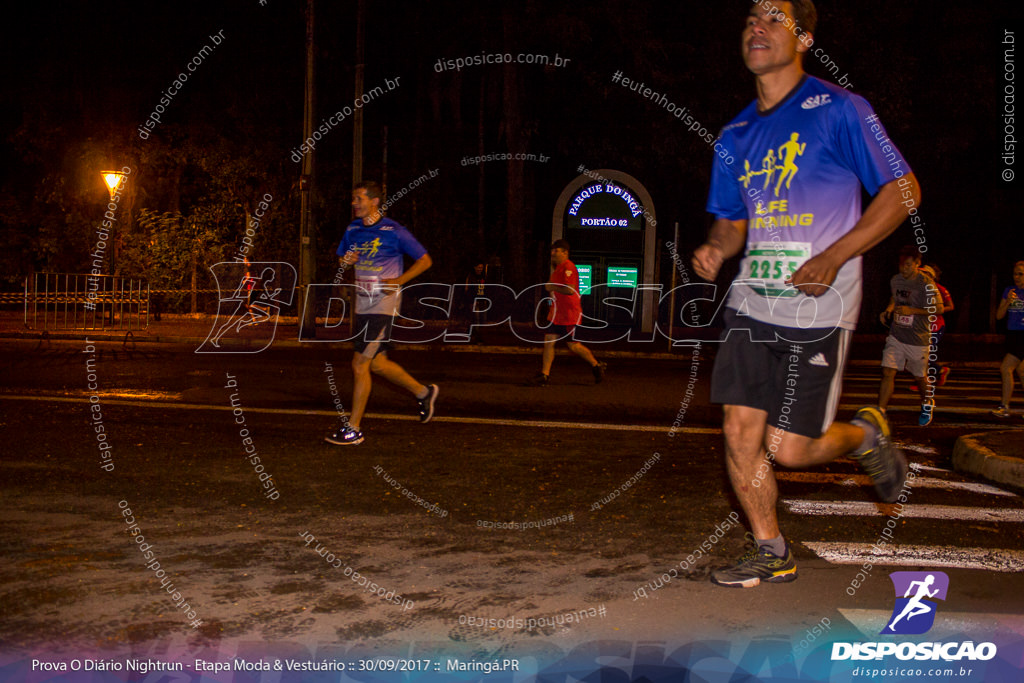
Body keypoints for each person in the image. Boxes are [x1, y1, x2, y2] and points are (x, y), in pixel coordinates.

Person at [692, 0, 917, 588]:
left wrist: (834, 255)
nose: (756, 27)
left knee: (789, 450)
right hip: (750, 303)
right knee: (740, 433)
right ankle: (771, 549)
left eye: (773, 18)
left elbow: (904, 190)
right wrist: (718, 247)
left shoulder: (841, 110)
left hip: (819, 307)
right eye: (748, 19)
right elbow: (732, 219)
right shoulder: (735, 134)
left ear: (805, 38)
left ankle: (866, 435)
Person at [325, 181, 438, 446]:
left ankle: (353, 429)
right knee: (377, 363)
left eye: (359, 199)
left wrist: (400, 280)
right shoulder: (353, 228)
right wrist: (345, 261)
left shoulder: (394, 231)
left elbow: (425, 260)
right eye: (353, 199)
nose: (354, 204)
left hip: (383, 305)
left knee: (359, 364)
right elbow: (343, 257)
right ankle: (424, 393)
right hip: (362, 303)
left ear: (374, 201)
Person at [877, 246, 943, 426]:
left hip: (917, 339)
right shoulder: (896, 280)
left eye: (907, 265)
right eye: (901, 265)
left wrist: (912, 310)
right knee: (888, 371)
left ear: (917, 264)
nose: (903, 269)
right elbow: (895, 297)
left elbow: (939, 308)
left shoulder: (926, 284)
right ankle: (880, 412)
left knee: (919, 377)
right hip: (897, 335)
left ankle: (927, 402)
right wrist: (889, 309)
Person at [526, 240, 606, 386]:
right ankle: (544, 375)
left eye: (556, 251)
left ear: (565, 253)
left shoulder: (568, 267)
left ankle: (596, 365)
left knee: (573, 346)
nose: (552, 253)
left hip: (569, 314)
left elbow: (570, 289)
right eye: (552, 251)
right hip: (557, 314)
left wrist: (551, 286)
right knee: (549, 342)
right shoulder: (558, 269)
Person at [992, 260, 1024, 418]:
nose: (1017, 277)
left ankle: (1004, 406)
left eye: (1021, 274)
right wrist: (1008, 302)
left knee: (1006, 368)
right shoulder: (1009, 291)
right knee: (1021, 371)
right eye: (1015, 274)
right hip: (1012, 335)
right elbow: (999, 316)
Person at [918, 264, 953, 387]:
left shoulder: (940, 289)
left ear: (931, 276)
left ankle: (922, 382)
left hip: (936, 326)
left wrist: (937, 309)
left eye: (924, 274)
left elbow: (950, 306)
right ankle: (940, 370)